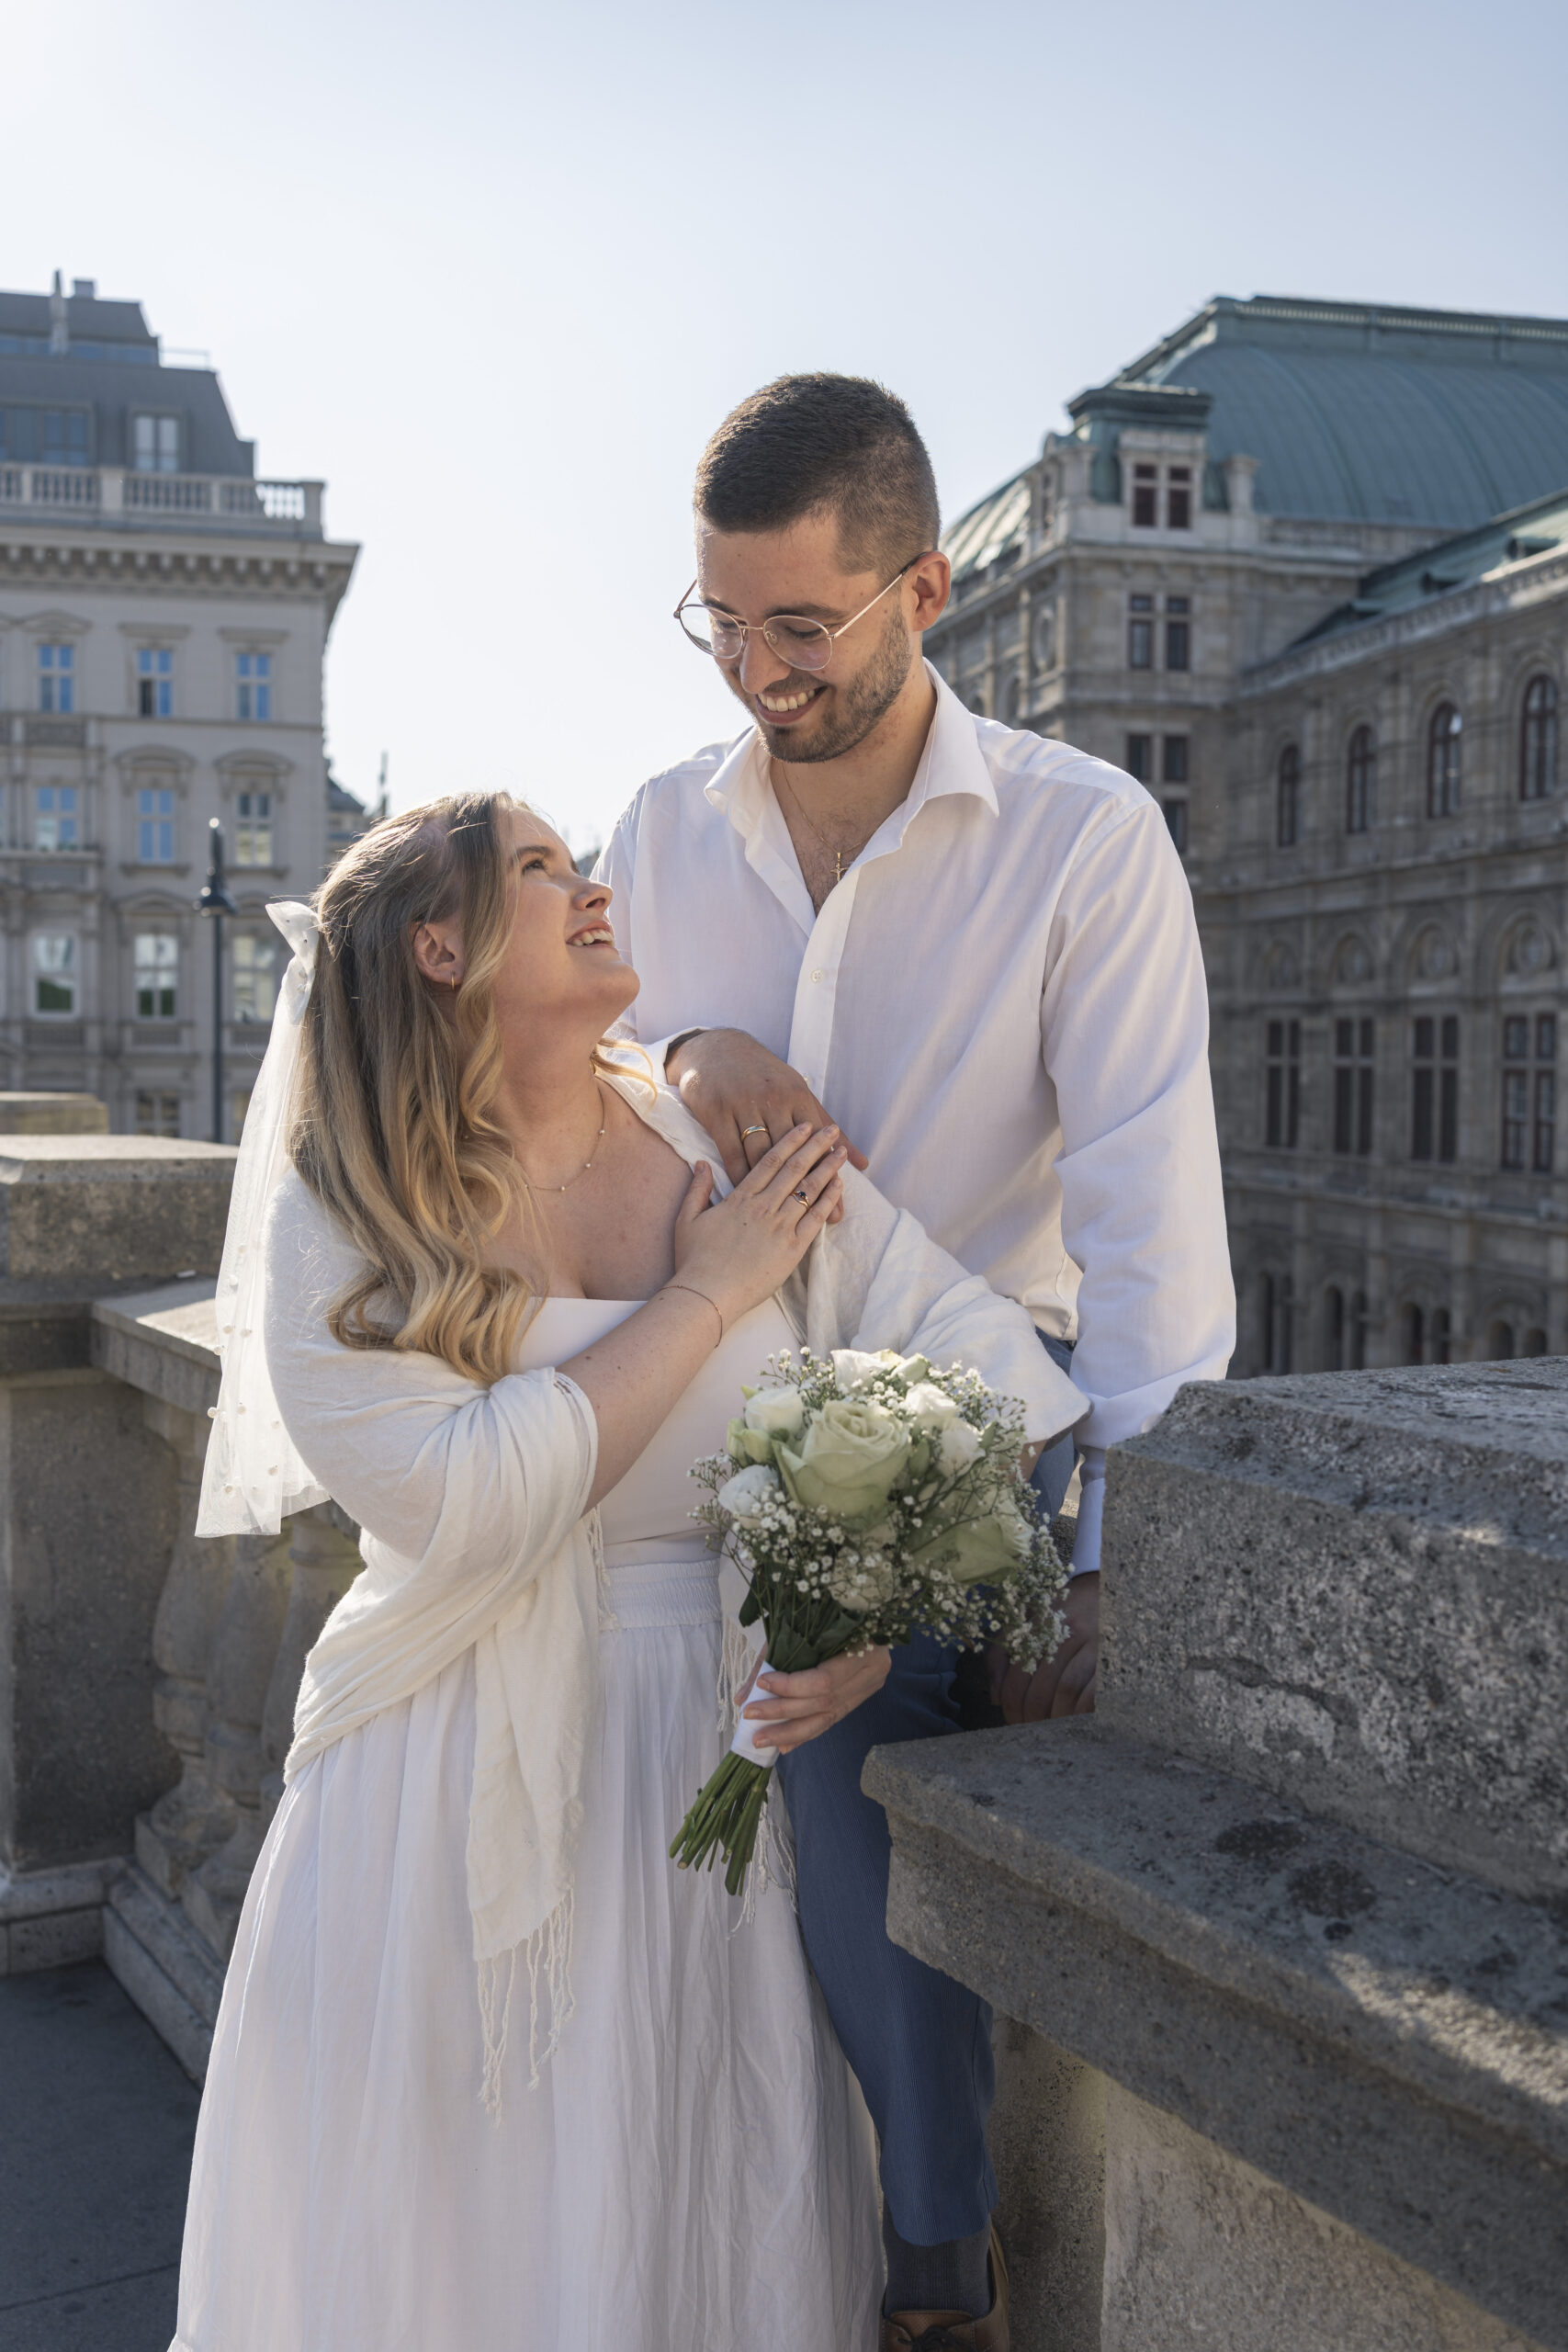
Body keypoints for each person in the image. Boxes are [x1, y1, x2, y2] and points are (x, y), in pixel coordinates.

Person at [170, 790, 1084, 2352]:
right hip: (449, 1784)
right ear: (439, 946)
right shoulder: (353, 1216)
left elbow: (985, 1360)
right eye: (540, 870)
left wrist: (879, 1610)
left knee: (705, 2211)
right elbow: (465, 1498)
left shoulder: (706, 1134)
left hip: (727, 1767)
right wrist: (716, 1290)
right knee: (486, 2241)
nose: (592, 888)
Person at [595, 372, 1235, 2347]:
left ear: (925, 588)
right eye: (720, 620)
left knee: (832, 1748)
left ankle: (931, 2275)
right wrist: (687, 1052)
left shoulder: (1082, 837)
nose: (755, 672)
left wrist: (1100, 1558)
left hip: (973, 1425)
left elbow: (1149, 1235)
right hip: (686, 1409)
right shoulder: (653, 825)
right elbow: (569, 1083)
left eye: (801, 624)